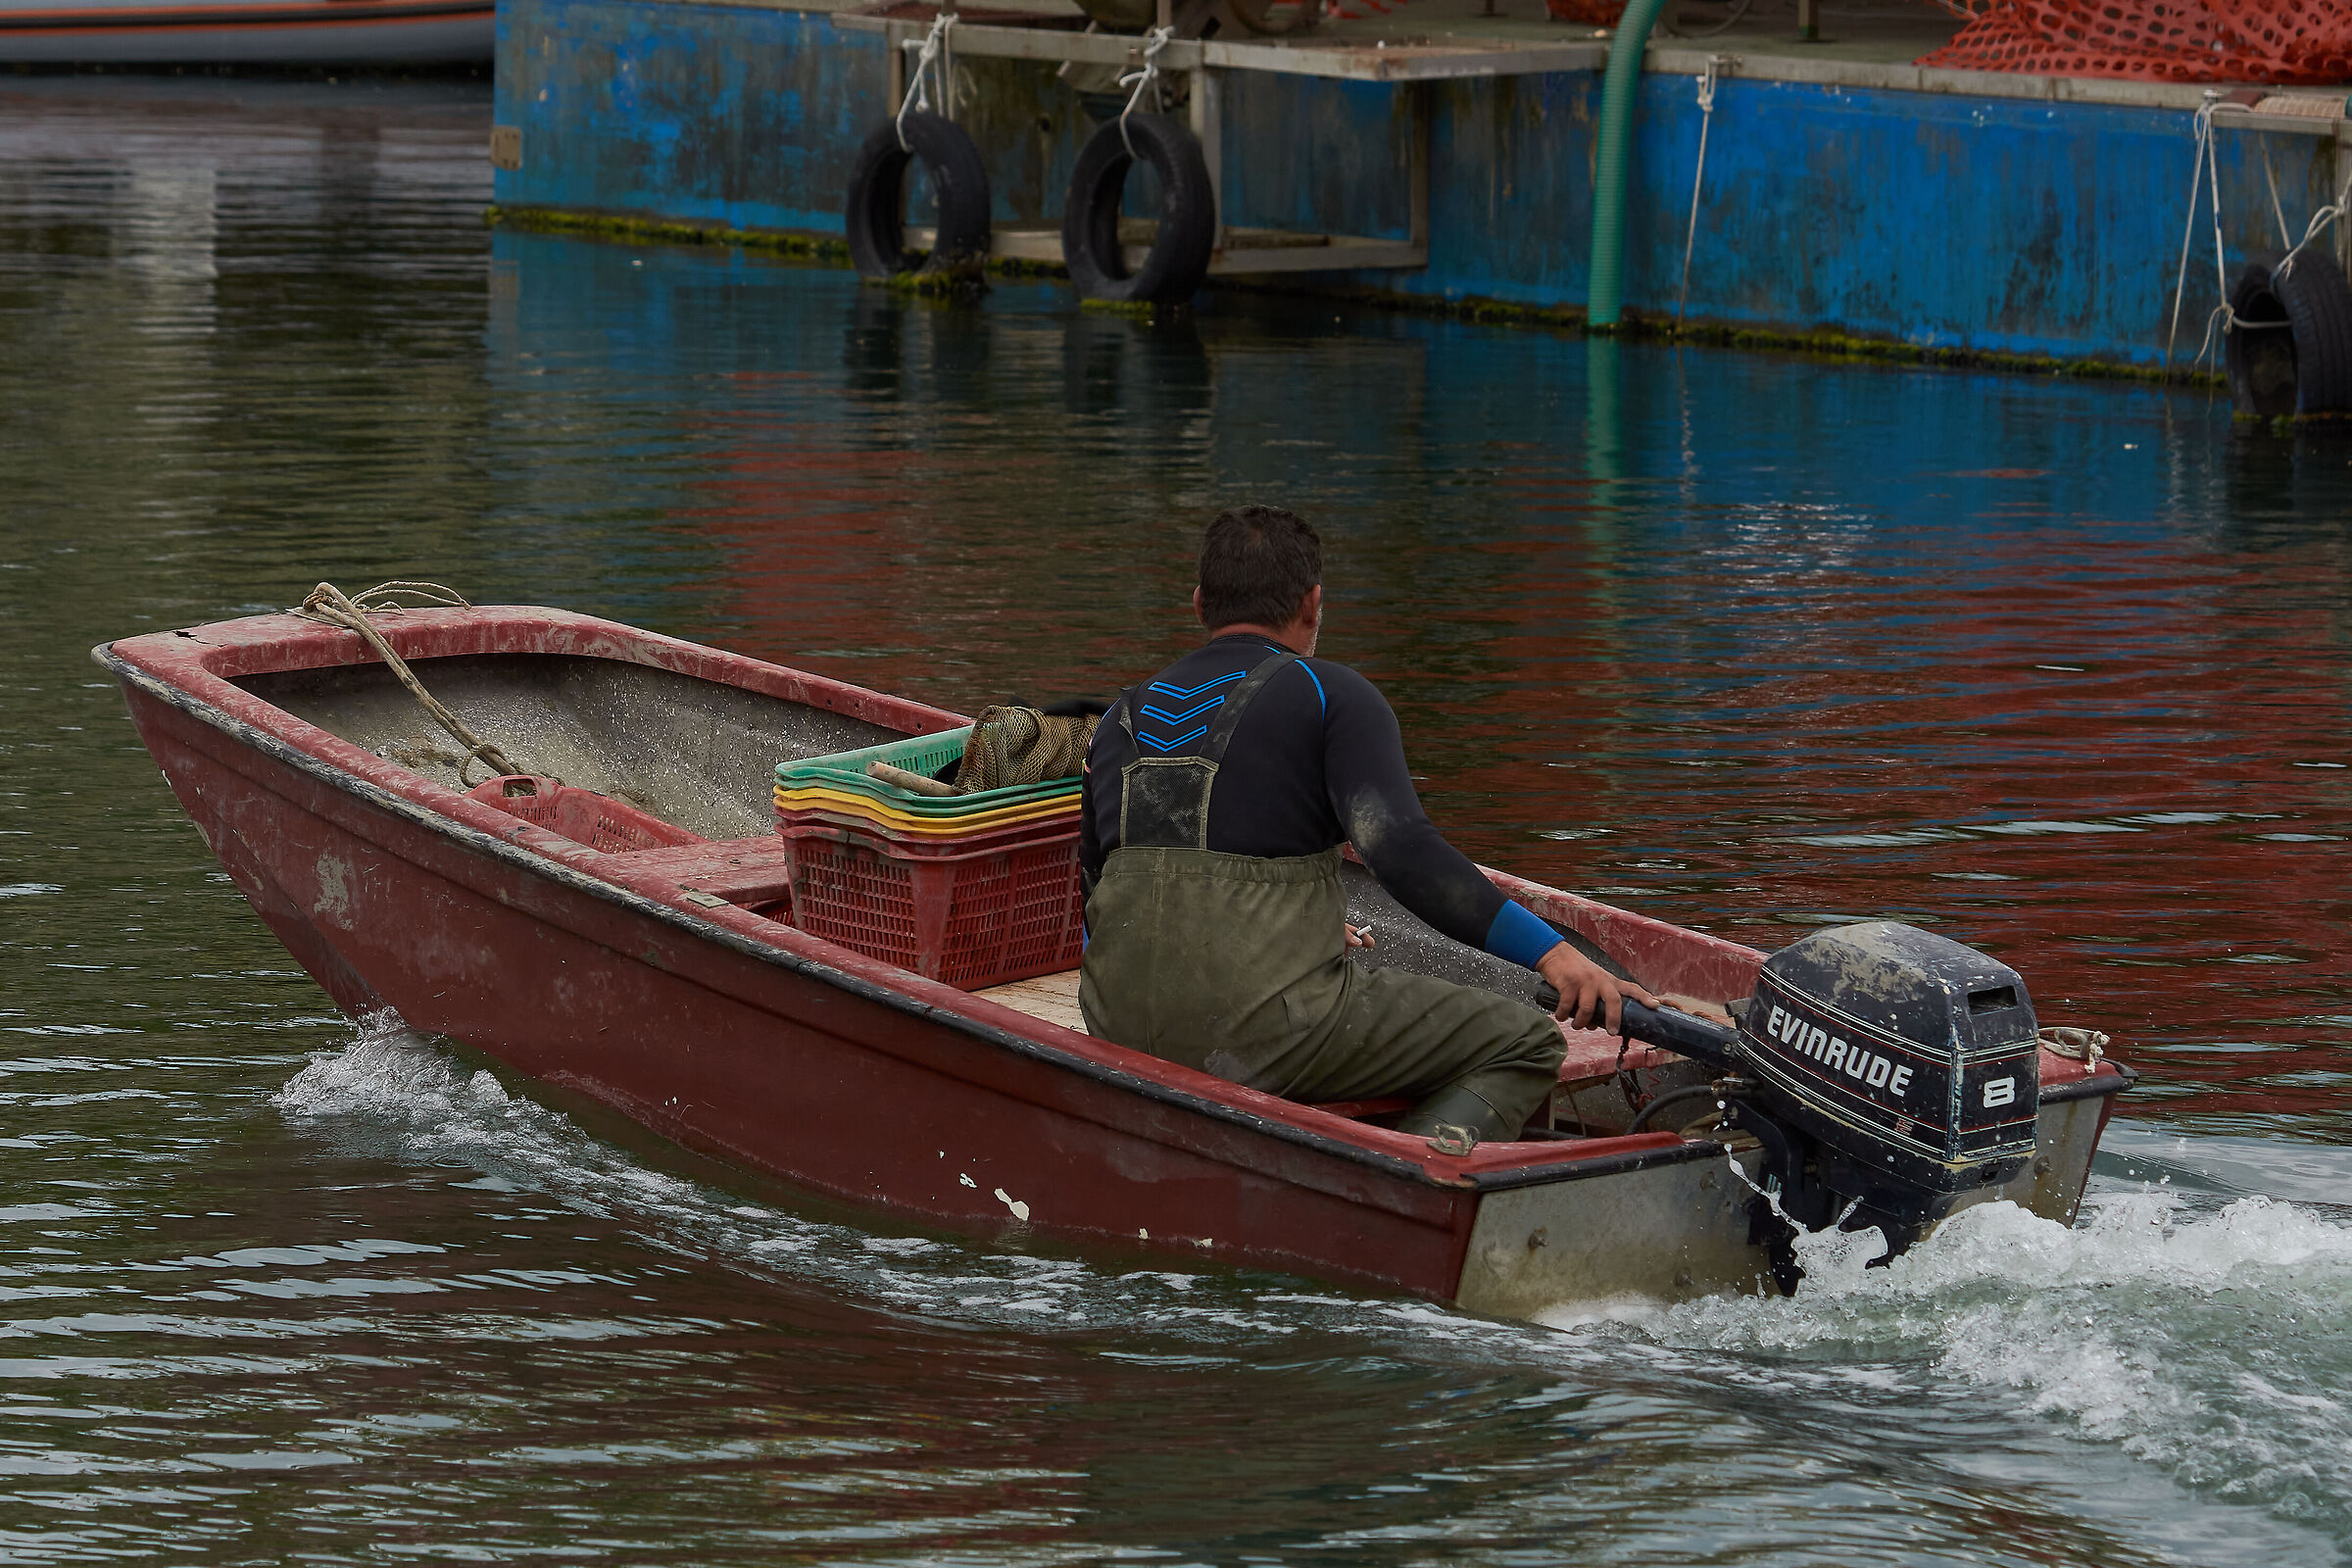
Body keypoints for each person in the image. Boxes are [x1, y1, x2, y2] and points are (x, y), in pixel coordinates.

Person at [1077, 505, 1656, 1146]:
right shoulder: (1332, 694)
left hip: (1114, 1022)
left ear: (1198, 605)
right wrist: (1552, 954)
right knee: (1520, 1042)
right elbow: (1401, 849)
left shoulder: (1116, 721)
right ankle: (1412, 1176)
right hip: (1260, 1035)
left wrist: (1292, 929)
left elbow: (1101, 891)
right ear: (1312, 604)